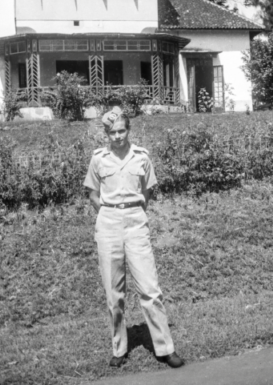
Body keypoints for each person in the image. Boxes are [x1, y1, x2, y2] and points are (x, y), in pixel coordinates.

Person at [83, 106, 184, 369]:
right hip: (108, 224)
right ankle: (119, 348)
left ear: (128, 130)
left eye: (121, 131)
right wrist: (109, 214)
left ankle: (165, 349)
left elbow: (146, 191)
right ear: (106, 134)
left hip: (136, 223)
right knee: (114, 294)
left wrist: (132, 213)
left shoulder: (142, 157)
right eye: (112, 132)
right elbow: (92, 193)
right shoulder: (99, 159)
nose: (117, 136)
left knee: (150, 290)